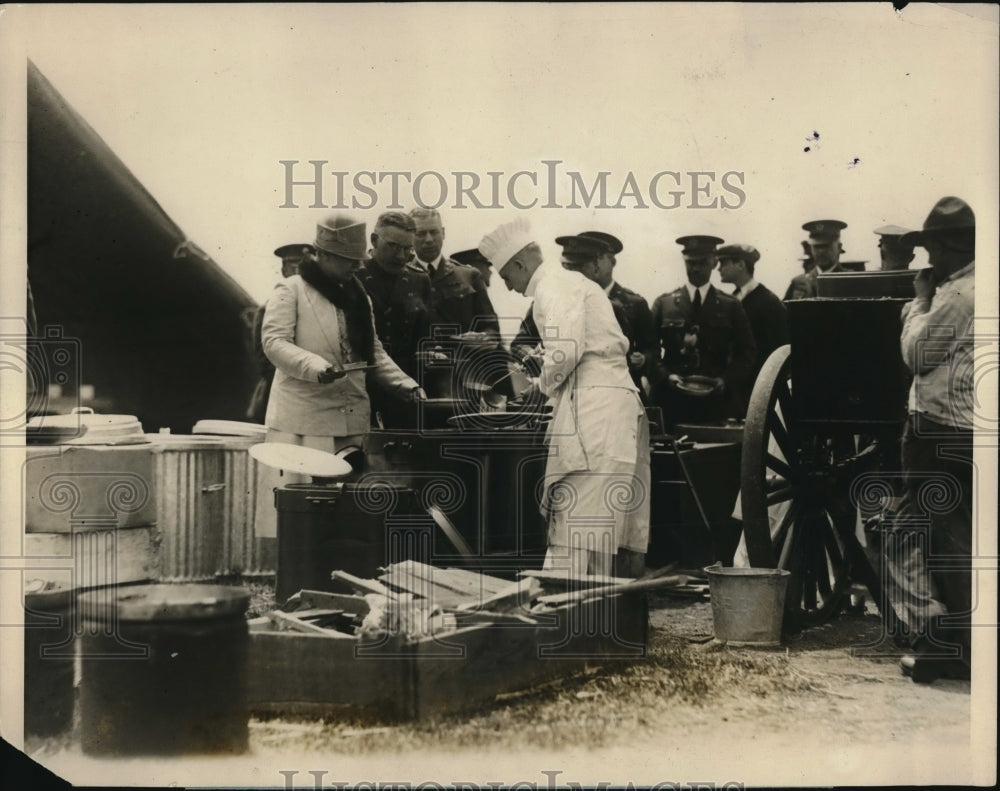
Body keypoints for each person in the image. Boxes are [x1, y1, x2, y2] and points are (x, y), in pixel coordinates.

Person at [478, 218, 650, 578]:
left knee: (577, 520)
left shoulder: (553, 285)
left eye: (507, 276)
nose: (508, 287)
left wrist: (537, 389)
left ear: (521, 265)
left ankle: (563, 620)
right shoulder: (569, 283)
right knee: (599, 525)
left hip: (596, 407)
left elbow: (566, 350)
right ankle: (599, 620)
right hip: (608, 402)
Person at [253, 215, 425, 540]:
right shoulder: (291, 290)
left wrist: (407, 386)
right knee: (299, 511)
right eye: (348, 261)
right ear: (326, 255)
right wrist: (315, 367)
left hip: (349, 422)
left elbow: (372, 351)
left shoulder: (358, 296)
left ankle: (337, 563)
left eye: (357, 261)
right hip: (304, 424)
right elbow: (274, 342)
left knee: (345, 511)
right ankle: (297, 567)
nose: (356, 267)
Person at [883, 196, 975, 684]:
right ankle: (956, 641)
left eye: (934, 248)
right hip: (965, 428)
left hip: (939, 431)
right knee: (948, 537)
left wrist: (917, 303)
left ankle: (950, 646)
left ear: (949, 246)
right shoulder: (974, 286)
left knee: (928, 538)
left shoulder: (957, 296)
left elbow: (917, 355)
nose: (929, 261)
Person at [649, 235, 756, 428]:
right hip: (673, 403)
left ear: (714, 263)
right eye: (690, 263)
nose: (696, 268)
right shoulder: (664, 304)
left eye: (702, 263)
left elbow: (747, 353)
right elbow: (650, 349)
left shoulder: (730, 305)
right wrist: (666, 376)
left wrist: (725, 380)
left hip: (715, 405)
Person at [555, 231, 658, 399]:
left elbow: (652, 349)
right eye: (571, 266)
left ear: (611, 261)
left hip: (620, 392)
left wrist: (643, 359)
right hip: (571, 392)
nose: (576, 271)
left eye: (598, 258)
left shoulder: (633, 303)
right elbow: (524, 341)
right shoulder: (558, 300)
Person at [357, 211, 432, 427]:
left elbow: (424, 337)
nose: (401, 256)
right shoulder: (354, 275)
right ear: (373, 240)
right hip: (362, 389)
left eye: (407, 249)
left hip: (404, 391)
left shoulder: (419, 280)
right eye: (392, 246)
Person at [246, 243, 314, 422]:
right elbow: (265, 361)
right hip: (279, 394)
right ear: (284, 270)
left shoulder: (319, 305)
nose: (298, 274)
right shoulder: (268, 308)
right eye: (293, 268)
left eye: (302, 268)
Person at [409, 208, 500, 338]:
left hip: (463, 356)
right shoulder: (401, 278)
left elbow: (492, 329)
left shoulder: (469, 276)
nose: (429, 239)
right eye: (421, 233)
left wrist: (481, 339)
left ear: (443, 233)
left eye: (434, 232)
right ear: (410, 236)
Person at [716, 243, 789, 389]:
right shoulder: (731, 300)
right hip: (734, 385)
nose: (719, 268)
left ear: (741, 265)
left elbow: (780, 348)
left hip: (759, 385)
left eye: (724, 263)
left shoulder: (769, 302)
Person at [784, 219, 847, 299]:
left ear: (839, 247)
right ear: (810, 248)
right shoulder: (798, 283)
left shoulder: (852, 281)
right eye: (816, 247)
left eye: (826, 246)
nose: (821, 251)